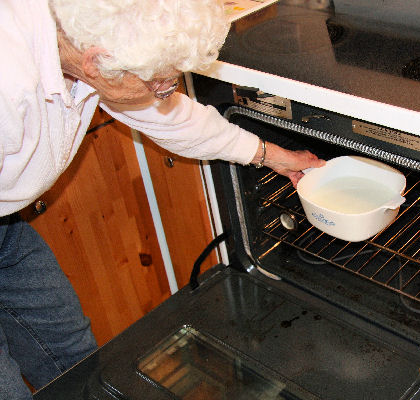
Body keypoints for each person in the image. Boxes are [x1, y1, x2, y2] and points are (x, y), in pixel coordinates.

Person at [0, 0, 324, 398]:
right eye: (160, 82)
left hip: (6, 227)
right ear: (95, 62)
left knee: (73, 353)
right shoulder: (8, 82)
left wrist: (275, 156)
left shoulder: (90, 40)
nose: (165, 92)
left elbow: (172, 117)